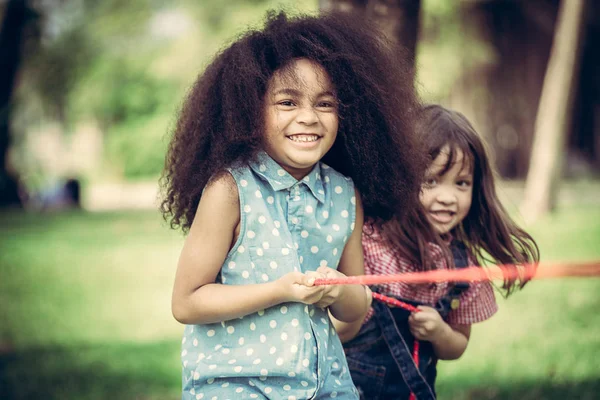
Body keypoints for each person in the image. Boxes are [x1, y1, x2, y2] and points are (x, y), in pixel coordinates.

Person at [160, 11, 426, 399]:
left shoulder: (344, 194)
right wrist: (280, 290)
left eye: (325, 104)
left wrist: (340, 291)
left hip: (325, 387)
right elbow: (186, 302)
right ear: (250, 109)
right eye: (287, 102)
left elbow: (355, 307)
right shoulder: (230, 189)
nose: (308, 118)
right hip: (236, 387)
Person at [334, 104, 540, 400]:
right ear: (401, 178)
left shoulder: (462, 269)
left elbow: (458, 345)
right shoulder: (370, 239)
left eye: (461, 183)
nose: (447, 198)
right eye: (430, 181)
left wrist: (440, 333)